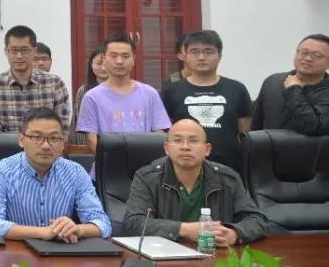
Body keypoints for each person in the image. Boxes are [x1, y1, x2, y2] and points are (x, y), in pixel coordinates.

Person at [124, 119, 268, 245]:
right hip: (164, 256)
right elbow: (133, 222)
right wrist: (185, 230)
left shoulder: (227, 178)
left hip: (215, 256)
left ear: (207, 149)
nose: (185, 146)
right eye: (177, 140)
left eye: (193, 140)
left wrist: (235, 234)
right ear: (166, 148)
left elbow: (257, 219)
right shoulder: (147, 178)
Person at [0, 108, 111, 241]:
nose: (45, 146)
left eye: (54, 138)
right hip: (16, 251)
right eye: (37, 137)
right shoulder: (0, 172)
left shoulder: (75, 172)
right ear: (21, 140)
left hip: (60, 251)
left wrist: (78, 229)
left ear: (62, 143)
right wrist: (43, 232)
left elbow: (103, 224)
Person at [161, 31, 252, 171]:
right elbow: (166, 132)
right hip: (183, 167)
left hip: (229, 168)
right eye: (194, 52)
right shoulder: (171, 91)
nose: (201, 57)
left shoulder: (237, 89)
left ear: (220, 56)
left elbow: (245, 134)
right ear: (185, 56)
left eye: (208, 51)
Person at [76, 34, 171, 166]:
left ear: (134, 60)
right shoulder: (92, 97)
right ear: (104, 59)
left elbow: (159, 133)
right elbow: (92, 139)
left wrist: (143, 161)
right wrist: (116, 161)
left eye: (125, 56)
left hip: (146, 168)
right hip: (108, 168)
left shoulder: (150, 94)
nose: (119, 61)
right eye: (113, 56)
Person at [0, 25, 72, 134]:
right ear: (6, 51)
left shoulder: (55, 84)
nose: (19, 56)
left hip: (46, 145)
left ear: (34, 51)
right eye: (14, 50)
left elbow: (61, 129)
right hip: (7, 146)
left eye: (24, 50)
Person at [252, 34, 329, 134]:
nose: (308, 58)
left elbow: (313, 127)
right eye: (303, 52)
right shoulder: (273, 81)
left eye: (317, 55)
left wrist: (293, 89)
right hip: (268, 143)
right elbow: (255, 123)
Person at [70, 47, 106, 145]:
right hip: (87, 145)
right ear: (91, 65)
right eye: (99, 63)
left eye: (106, 63)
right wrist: (84, 147)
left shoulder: (120, 90)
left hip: (114, 142)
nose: (103, 68)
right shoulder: (84, 91)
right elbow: (80, 122)